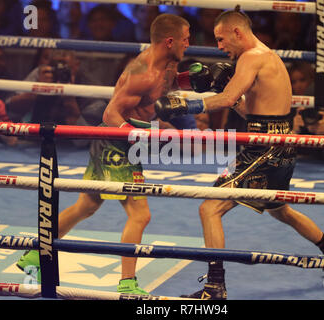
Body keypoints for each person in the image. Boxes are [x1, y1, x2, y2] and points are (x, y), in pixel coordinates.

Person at [155, 7, 324, 300]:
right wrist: (224, 92)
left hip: (266, 149)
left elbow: (228, 98)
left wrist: (185, 105)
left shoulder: (252, 57)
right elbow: (251, 112)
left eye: (221, 39)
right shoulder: (267, 56)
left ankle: (215, 287)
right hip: (277, 143)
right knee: (280, 210)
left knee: (209, 208)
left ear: (237, 32)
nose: (219, 47)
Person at [16, 13, 198, 295]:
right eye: (185, 39)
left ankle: (34, 253)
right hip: (117, 142)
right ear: (170, 41)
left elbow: (165, 89)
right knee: (141, 215)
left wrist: (195, 81)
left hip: (125, 140)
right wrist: (135, 133)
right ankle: (127, 284)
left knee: (85, 207)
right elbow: (109, 112)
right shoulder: (142, 72)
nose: (190, 43)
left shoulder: (171, 63)